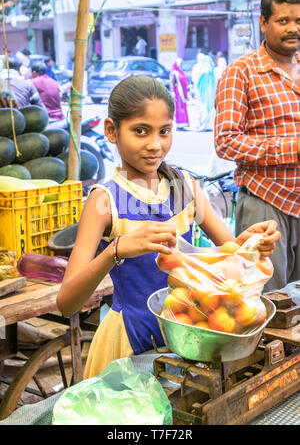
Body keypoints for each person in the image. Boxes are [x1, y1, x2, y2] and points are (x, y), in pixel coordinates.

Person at [56, 76, 280, 378]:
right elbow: (67, 302)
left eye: (164, 131)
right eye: (140, 131)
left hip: (192, 335)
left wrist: (250, 244)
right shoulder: (103, 201)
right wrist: (117, 249)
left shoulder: (186, 188)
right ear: (111, 130)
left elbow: (231, 259)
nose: (155, 145)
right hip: (130, 343)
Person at [214, 0, 300, 292]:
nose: (293, 29)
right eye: (283, 21)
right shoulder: (242, 72)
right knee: (266, 299)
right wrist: (292, 148)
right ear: (263, 22)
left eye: (299, 21)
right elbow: (225, 141)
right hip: (266, 203)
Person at [192, 53, 216, 131]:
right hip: (210, 93)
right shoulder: (212, 71)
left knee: (203, 109)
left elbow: (197, 82)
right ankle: (208, 126)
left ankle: (203, 126)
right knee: (209, 109)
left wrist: (195, 90)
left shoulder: (203, 71)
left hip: (203, 93)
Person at [170, 58, 189, 129]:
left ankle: (183, 123)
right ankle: (179, 124)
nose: (181, 65)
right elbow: (172, 82)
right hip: (178, 92)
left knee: (183, 107)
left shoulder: (180, 72)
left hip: (183, 93)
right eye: (180, 63)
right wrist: (172, 92)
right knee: (179, 107)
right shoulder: (174, 72)